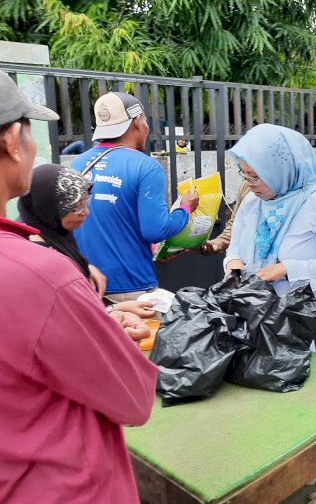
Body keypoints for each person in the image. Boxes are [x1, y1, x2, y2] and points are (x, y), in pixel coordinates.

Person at [0, 70, 157, 502]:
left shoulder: (85, 166)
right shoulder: (42, 273)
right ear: (14, 140)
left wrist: (103, 315)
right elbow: (134, 398)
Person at [222, 124, 316, 504]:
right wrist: (233, 263)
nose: (251, 184)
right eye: (245, 175)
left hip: (308, 324)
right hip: (262, 322)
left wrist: (286, 268)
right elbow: (234, 248)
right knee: (275, 404)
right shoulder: (252, 202)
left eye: (257, 175)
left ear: (283, 168)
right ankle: (286, 473)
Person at [71, 91, 200, 303]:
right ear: (137, 123)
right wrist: (185, 208)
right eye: (146, 120)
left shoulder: (78, 164)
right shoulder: (146, 166)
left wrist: (151, 249)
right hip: (132, 287)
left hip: (87, 286)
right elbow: (156, 229)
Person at [18, 163, 157, 320]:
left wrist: (83, 266)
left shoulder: (54, 236)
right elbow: (65, 318)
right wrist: (115, 309)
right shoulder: (41, 258)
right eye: (76, 207)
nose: (85, 212)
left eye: (85, 202)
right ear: (50, 209)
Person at [200, 179, 251, 254]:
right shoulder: (246, 185)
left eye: (254, 176)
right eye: (244, 172)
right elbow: (235, 224)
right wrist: (218, 243)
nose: (249, 180)